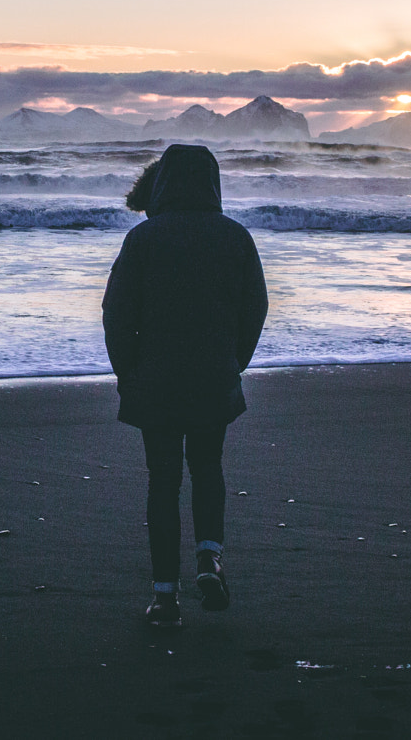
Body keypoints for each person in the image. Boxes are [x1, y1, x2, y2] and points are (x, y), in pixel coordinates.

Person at [102, 144, 268, 627]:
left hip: (155, 381)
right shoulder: (236, 238)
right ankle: (209, 558)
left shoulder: (144, 239)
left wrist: (126, 371)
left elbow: (117, 313)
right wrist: (235, 361)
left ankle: (164, 597)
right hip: (213, 377)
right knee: (208, 467)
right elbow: (254, 308)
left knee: (163, 481)